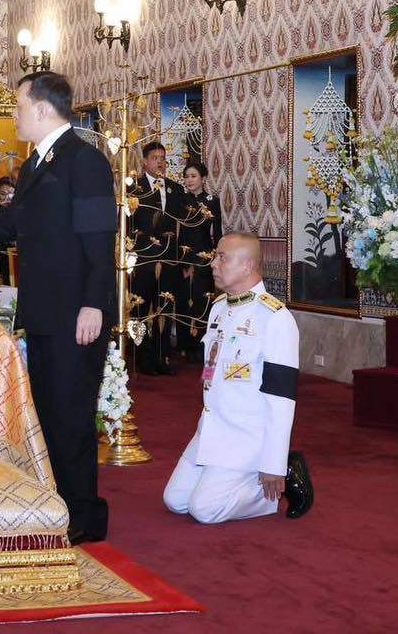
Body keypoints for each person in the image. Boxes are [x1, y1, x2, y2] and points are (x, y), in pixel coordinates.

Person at [0, 71, 117, 543]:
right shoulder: (35, 167)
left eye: (19, 107)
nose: (15, 116)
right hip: (46, 312)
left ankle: (84, 518)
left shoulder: (84, 162)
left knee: (72, 417)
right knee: (50, 412)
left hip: (77, 313)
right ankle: (60, 507)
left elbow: (99, 239)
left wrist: (94, 304)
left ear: (44, 109)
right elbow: (8, 225)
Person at [163, 233, 314, 524]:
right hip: (212, 429)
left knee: (205, 510)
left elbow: (281, 399)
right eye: (216, 256)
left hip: (247, 437)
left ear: (248, 266)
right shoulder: (220, 308)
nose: (213, 264)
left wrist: (272, 462)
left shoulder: (275, 318)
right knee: (175, 501)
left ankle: (272, 488)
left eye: (223, 257)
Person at [128, 142, 188, 375]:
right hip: (143, 261)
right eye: (155, 158)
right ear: (145, 162)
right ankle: (142, 357)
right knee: (141, 310)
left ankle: (162, 357)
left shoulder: (175, 188)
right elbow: (128, 224)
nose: (160, 162)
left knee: (164, 308)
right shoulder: (134, 188)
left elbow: (180, 224)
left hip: (169, 260)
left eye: (163, 158)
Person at [178, 160, 224, 360]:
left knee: (202, 300)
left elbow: (218, 231)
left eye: (193, 176)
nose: (189, 180)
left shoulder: (212, 200)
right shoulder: (180, 199)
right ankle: (184, 345)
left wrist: (217, 256)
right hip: (183, 256)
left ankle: (201, 347)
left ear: (203, 179)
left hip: (204, 256)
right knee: (183, 301)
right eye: (186, 176)